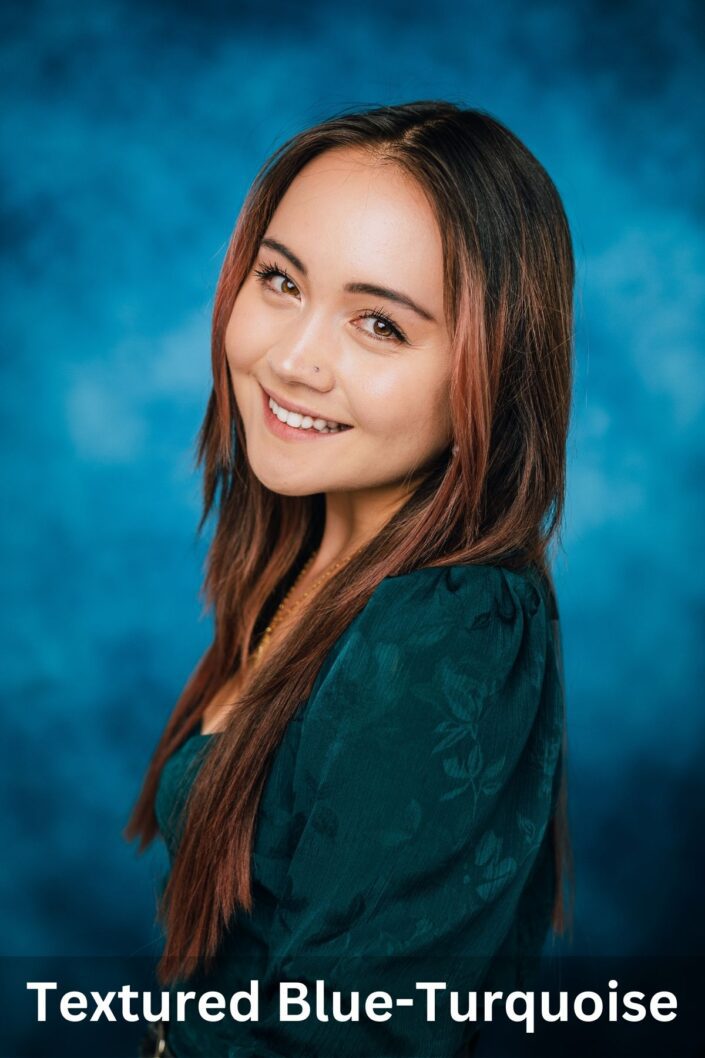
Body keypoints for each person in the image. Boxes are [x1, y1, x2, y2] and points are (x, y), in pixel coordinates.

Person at [125, 99, 574, 1058]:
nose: (293, 359)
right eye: (280, 280)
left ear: (491, 371)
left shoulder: (451, 624)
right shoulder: (310, 557)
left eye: (378, 324)